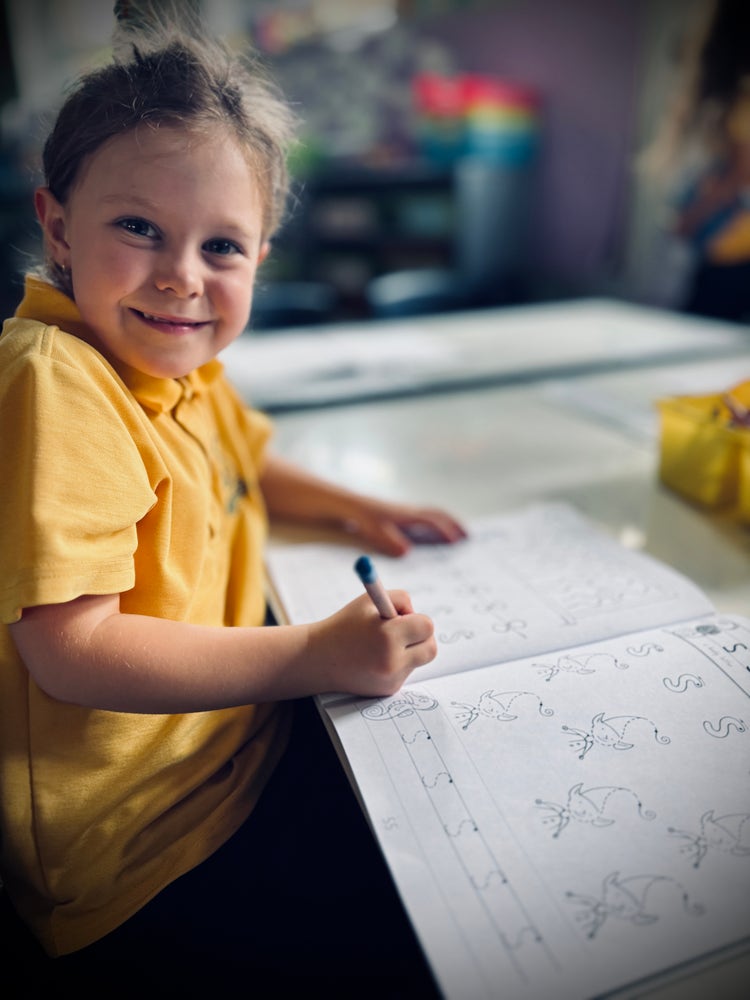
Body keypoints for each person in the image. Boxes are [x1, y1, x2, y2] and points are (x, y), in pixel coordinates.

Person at [0, 7, 466, 996]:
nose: (181, 278)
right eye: (139, 227)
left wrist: (351, 506)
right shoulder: (58, 378)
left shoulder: (178, 358)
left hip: (239, 743)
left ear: (261, 258)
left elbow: (244, 461)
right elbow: (71, 649)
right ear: (57, 226)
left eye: (223, 246)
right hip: (145, 851)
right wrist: (314, 653)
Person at [647, 0, 750, 321]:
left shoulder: (735, 101)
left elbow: (740, 176)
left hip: (732, 241)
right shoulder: (735, 101)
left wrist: (690, 218)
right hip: (730, 240)